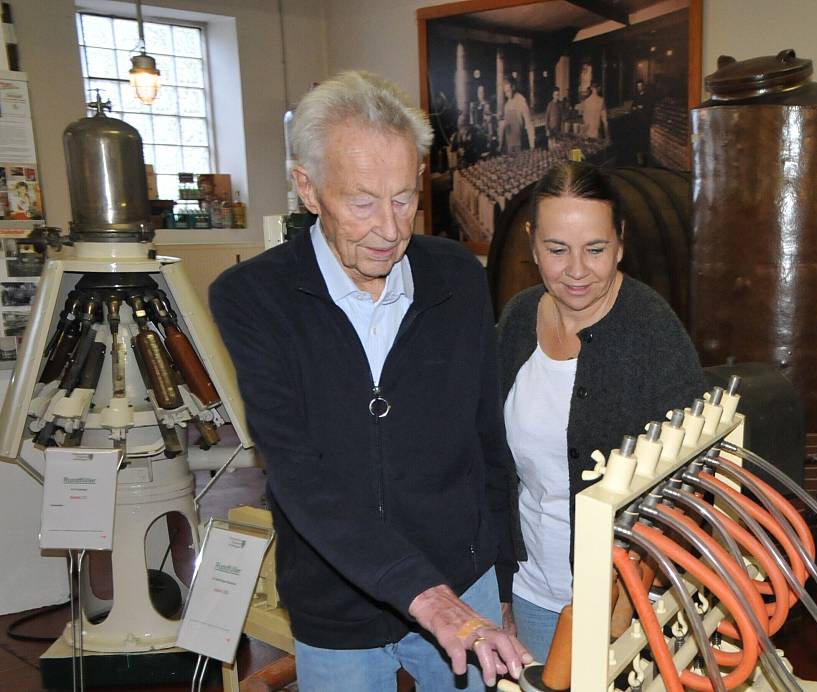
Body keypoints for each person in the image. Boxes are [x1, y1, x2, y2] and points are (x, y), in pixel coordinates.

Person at [210, 70, 530, 691]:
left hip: (465, 583)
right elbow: (299, 477)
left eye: (405, 197)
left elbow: (488, 442)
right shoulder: (253, 297)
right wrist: (427, 599)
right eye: (362, 202)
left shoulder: (457, 277)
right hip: (338, 600)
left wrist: (502, 584)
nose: (390, 228)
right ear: (308, 188)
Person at [496, 160, 706, 660]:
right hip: (533, 591)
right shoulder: (519, 318)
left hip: (627, 603)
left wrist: (634, 590)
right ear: (531, 243)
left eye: (595, 249)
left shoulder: (653, 331)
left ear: (621, 242)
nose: (575, 270)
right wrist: (502, 584)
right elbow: (494, 461)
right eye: (556, 249)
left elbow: (692, 483)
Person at [499, 78, 534, 153]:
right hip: (508, 144)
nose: (507, 95)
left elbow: (529, 124)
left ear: (513, 87)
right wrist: (501, 144)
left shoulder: (521, 100)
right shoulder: (507, 105)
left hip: (519, 143)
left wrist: (532, 145)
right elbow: (505, 125)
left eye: (508, 91)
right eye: (505, 92)